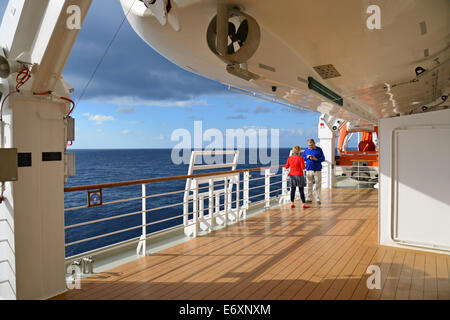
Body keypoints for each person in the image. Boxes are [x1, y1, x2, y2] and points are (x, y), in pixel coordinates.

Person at [303, 139, 325, 204]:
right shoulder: (306, 150)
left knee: (318, 185)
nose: (310, 146)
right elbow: (303, 158)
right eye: (309, 145)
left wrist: (316, 159)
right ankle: (309, 198)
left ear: (314, 143)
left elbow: (323, 158)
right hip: (309, 169)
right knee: (309, 184)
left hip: (317, 170)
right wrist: (307, 157)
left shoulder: (319, 149)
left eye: (311, 145)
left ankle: (318, 199)